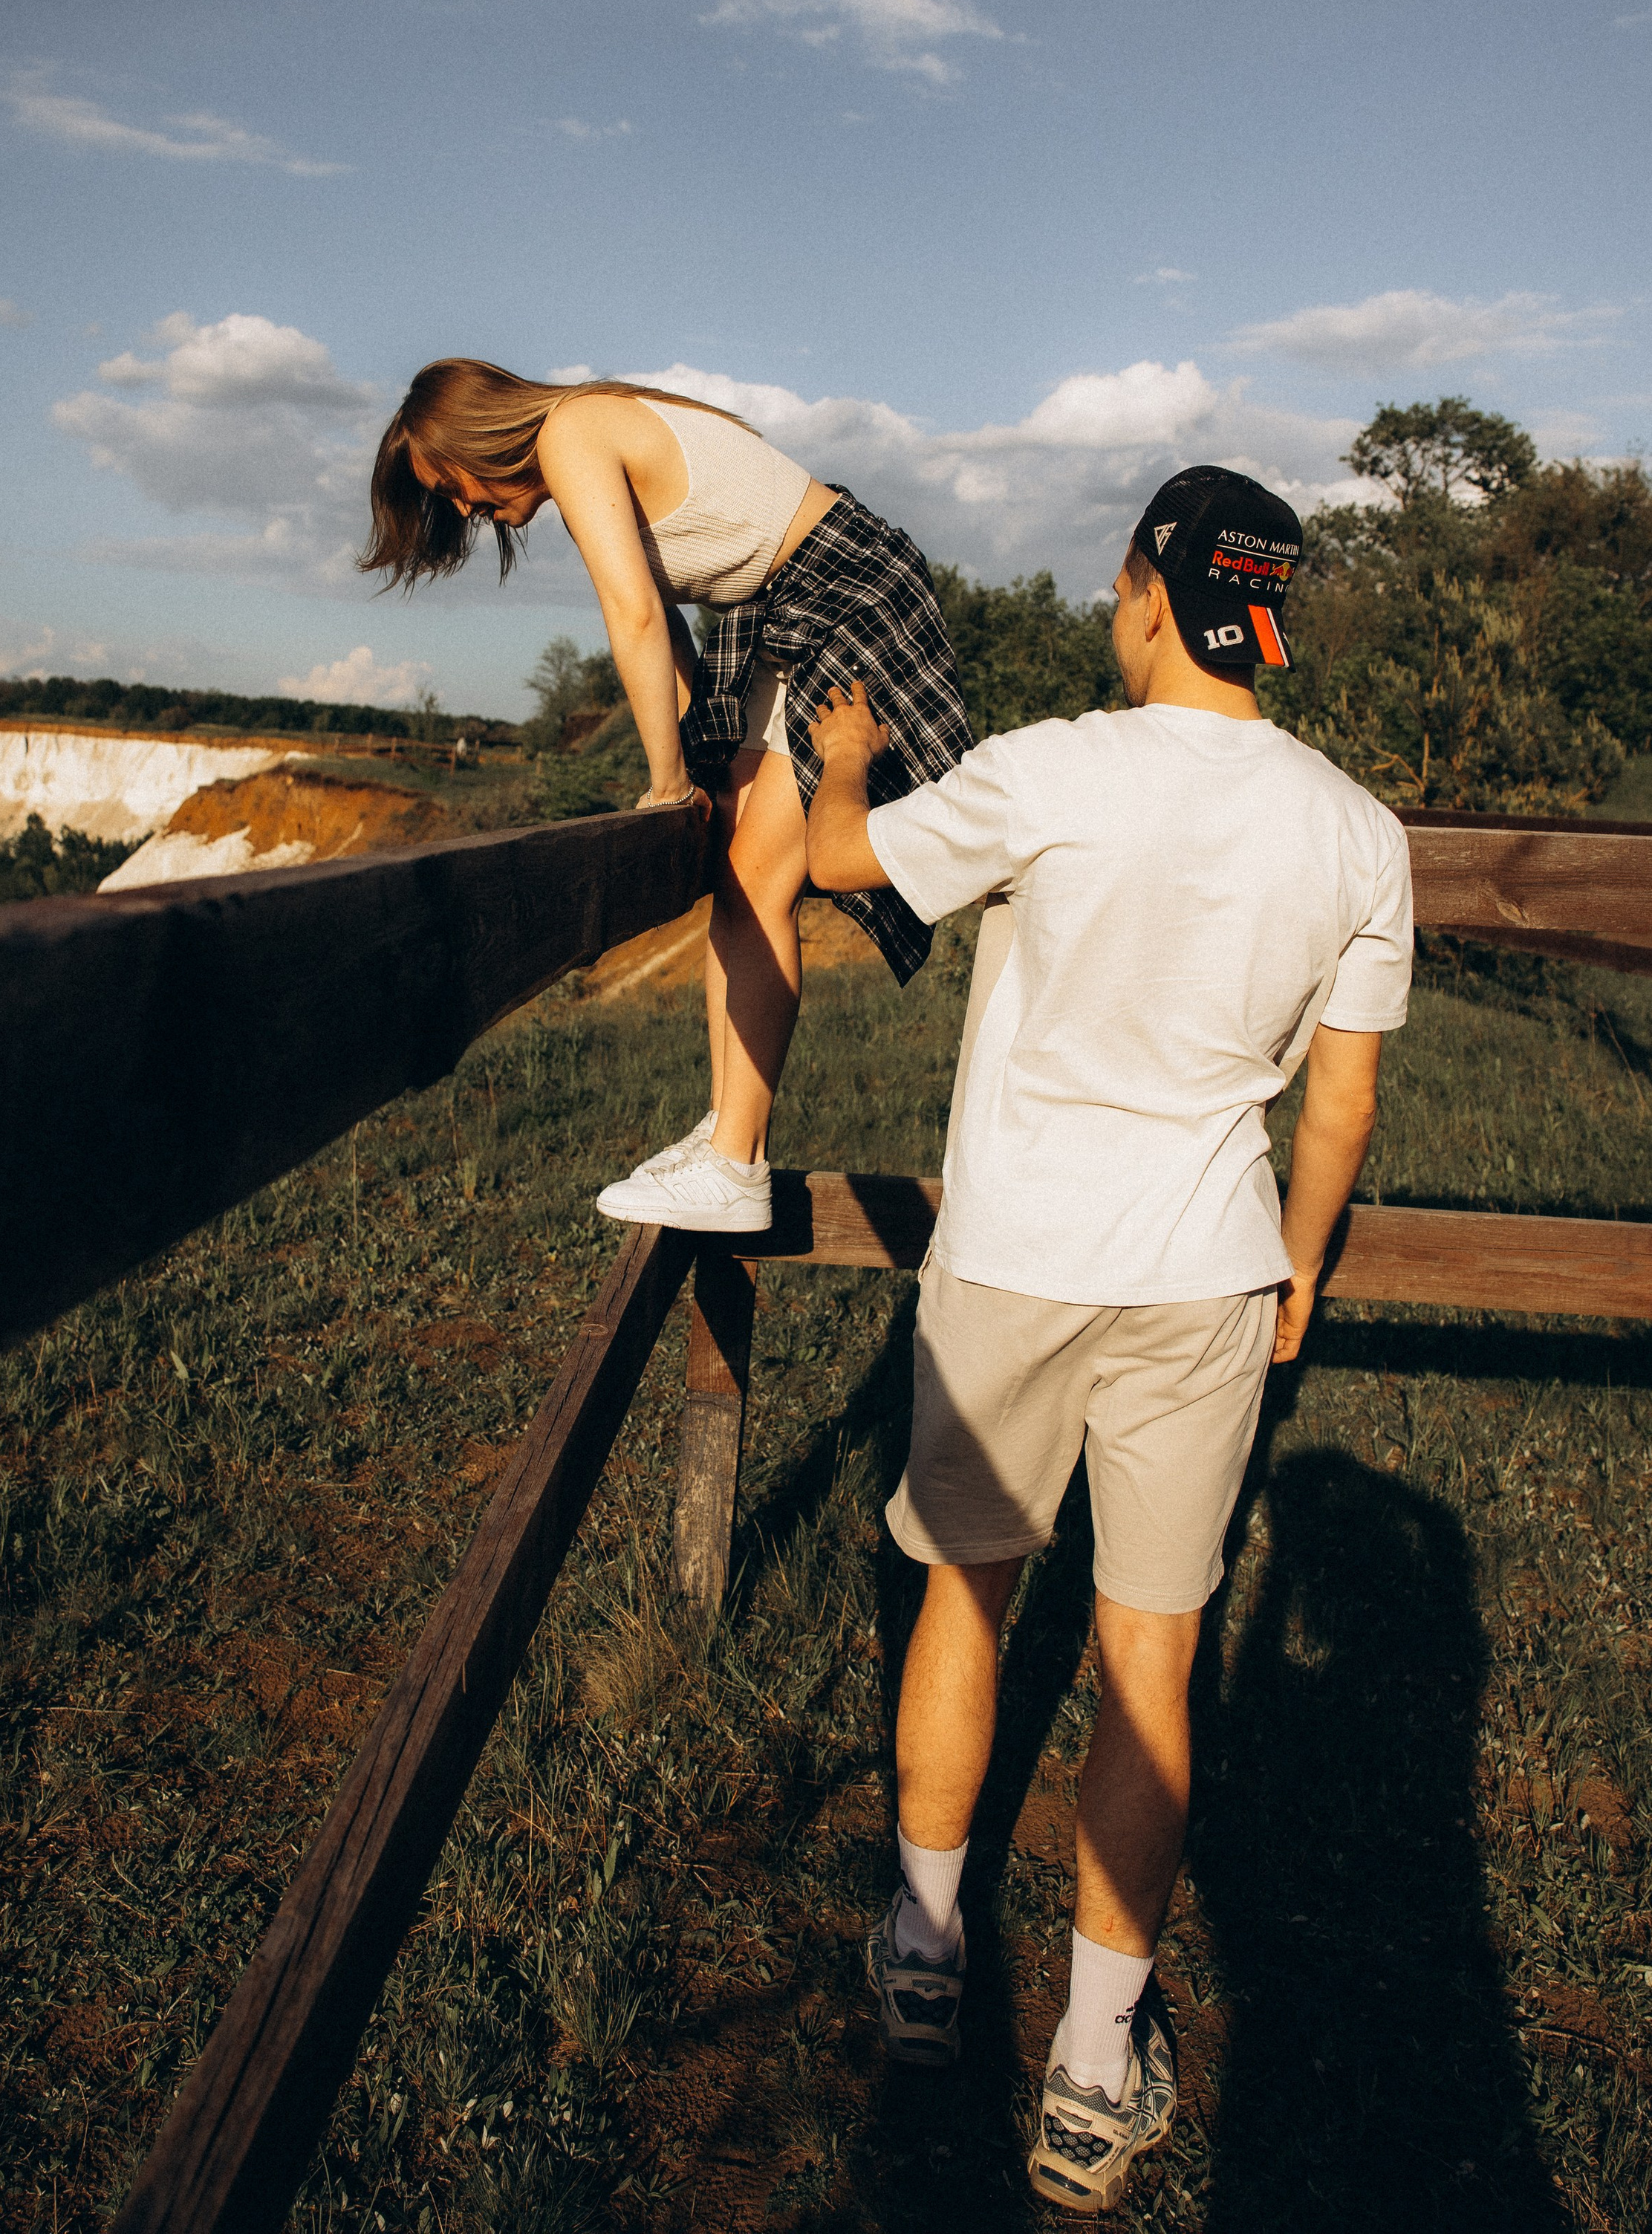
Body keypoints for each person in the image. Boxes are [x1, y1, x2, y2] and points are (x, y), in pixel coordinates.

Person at [804, 464, 1412, 2215]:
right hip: (1204, 1273)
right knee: (1150, 1657)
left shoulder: (1052, 765)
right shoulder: (1352, 831)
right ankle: (1087, 2066)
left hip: (1010, 1254)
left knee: (966, 1590)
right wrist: (1296, 1265)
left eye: (1117, 578)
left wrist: (844, 764)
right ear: (1264, 606)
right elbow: (1342, 1100)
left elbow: (847, 861)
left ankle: (922, 1960)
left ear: (1153, 589)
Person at [360, 361, 969, 1230]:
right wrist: (704, 765)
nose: (462, 510)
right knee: (737, 877)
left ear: (473, 439)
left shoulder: (571, 434)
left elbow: (635, 617)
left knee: (760, 883)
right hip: (793, 606)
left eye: (449, 487)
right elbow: (664, 620)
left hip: (846, 594)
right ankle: (729, 1130)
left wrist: (667, 782)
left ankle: (737, 1167)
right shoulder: (581, 437)